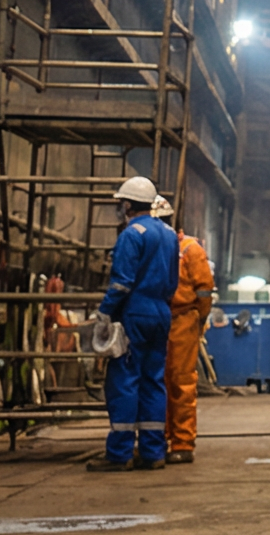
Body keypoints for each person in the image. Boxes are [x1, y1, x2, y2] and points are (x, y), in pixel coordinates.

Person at [90, 175, 179, 472]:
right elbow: (173, 281)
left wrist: (105, 313)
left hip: (135, 312)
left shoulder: (132, 234)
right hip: (161, 312)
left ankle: (119, 454)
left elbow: (121, 283)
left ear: (128, 205)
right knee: (153, 381)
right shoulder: (169, 234)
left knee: (125, 380)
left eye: (121, 203)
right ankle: (153, 452)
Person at [154, 196, 215, 464]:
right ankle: (158, 438)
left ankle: (182, 442)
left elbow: (204, 290)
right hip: (156, 318)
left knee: (180, 381)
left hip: (182, 320)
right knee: (157, 382)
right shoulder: (154, 244)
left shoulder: (190, 249)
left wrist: (198, 320)